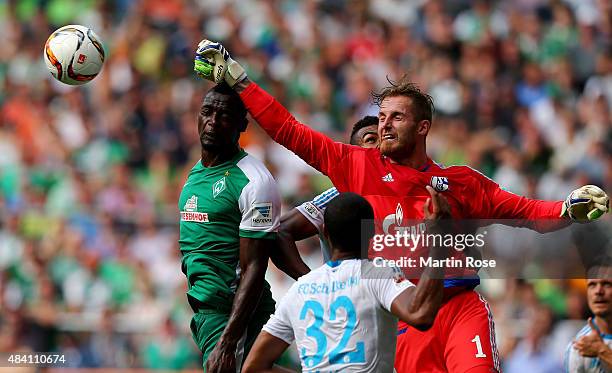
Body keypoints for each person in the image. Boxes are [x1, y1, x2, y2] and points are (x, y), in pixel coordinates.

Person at [194, 40, 610, 373]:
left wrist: (566, 209)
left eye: (396, 117)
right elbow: (290, 131)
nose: (383, 125)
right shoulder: (357, 167)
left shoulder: (460, 182)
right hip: (402, 318)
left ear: (422, 127)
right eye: (381, 116)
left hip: (459, 307)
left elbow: (526, 213)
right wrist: (240, 80)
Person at [242, 191, 449, 373]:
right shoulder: (376, 273)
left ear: (324, 232)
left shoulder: (299, 290)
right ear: (371, 233)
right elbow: (421, 314)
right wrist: (439, 243)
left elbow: (253, 367)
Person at [178, 82, 281, 373]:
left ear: (241, 125)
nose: (212, 122)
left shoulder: (254, 181)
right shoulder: (196, 173)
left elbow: (255, 267)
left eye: (223, 116)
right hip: (207, 310)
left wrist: (227, 341)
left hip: (234, 314)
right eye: (207, 112)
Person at [279, 115, 379, 263]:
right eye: (371, 140)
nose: (380, 146)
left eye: (386, 139)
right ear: (355, 153)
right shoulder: (338, 197)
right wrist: (308, 280)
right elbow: (281, 231)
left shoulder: (415, 192)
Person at [565, 265, 612, 372]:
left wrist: (602, 351)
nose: (598, 291)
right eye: (592, 285)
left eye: (607, 284)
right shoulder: (579, 348)